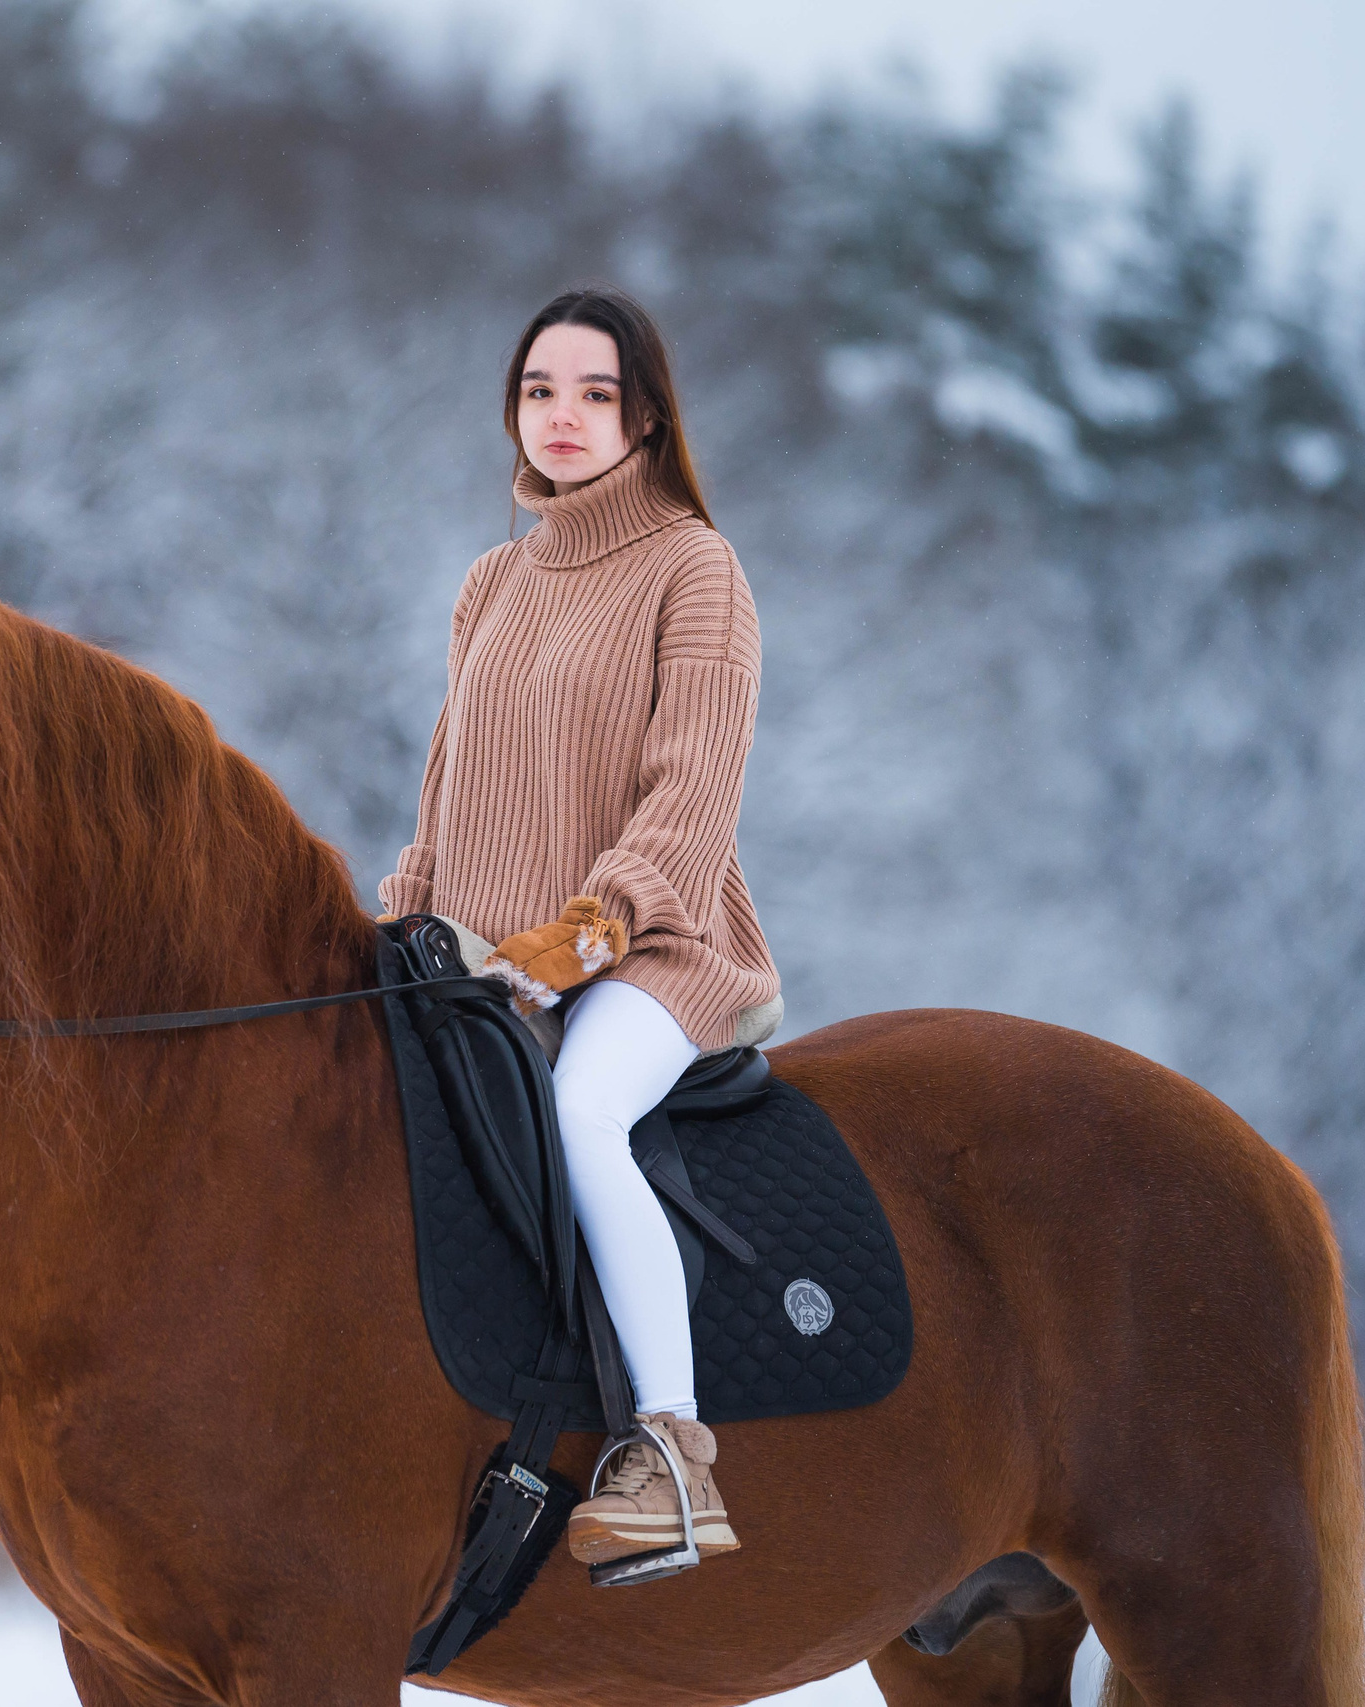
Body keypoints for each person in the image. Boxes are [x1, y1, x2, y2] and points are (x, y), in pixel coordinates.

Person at [379, 286, 780, 1571]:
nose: (562, 416)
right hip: (489, 963)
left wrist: (593, 929)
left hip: (654, 948)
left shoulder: (693, 567)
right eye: (541, 390)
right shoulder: (490, 581)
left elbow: (694, 787)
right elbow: (447, 790)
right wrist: (405, 920)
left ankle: (669, 1453)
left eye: (594, 394)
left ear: (646, 417)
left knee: (580, 1114)